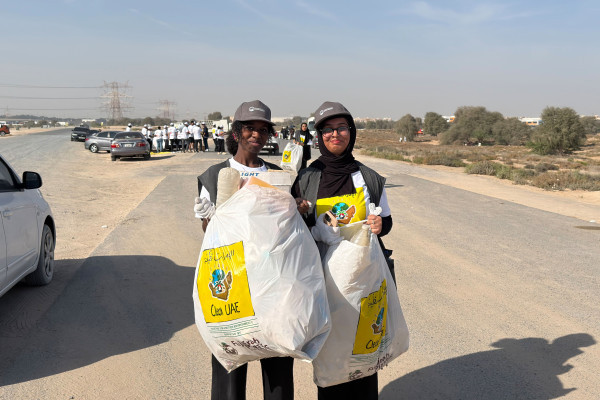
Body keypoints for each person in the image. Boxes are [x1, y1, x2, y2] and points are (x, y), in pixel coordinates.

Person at [291, 101, 393, 400]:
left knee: (364, 350)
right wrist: (301, 215)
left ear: (352, 132)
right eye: (328, 129)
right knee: (331, 354)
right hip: (323, 281)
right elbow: (293, 230)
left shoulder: (368, 178)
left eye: (342, 128)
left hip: (363, 280)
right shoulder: (306, 178)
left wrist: (380, 224)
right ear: (319, 135)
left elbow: (386, 221)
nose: (335, 134)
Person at [195, 100, 294, 400]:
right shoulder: (216, 175)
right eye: (250, 128)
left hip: (272, 284)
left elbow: (288, 228)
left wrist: (299, 207)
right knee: (230, 368)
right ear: (237, 132)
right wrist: (208, 218)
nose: (257, 135)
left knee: (277, 367)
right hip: (230, 283)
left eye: (263, 130)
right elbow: (210, 234)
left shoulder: (278, 176)